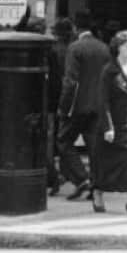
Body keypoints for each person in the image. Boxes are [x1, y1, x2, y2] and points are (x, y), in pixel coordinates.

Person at [57, 9, 110, 201]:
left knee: (63, 142)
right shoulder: (103, 48)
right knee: (94, 146)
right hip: (98, 104)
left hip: (77, 105)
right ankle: (97, 184)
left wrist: (64, 107)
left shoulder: (75, 48)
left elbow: (70, 81)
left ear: (74, 26)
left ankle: (82, 179)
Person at [93, 30, 127, 217]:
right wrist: (108, 127)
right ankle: (98, 190)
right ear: (118, 47)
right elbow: (103, 100)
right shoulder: (109, 70)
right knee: (108, 161)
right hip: (113, 121)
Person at [46, 17, 74, 196]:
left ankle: (56, 175)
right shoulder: (69, 49)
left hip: (54, 99)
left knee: (54, 138)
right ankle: (65, 172)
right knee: (64, 137)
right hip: (68, 98)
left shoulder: (53, 50)